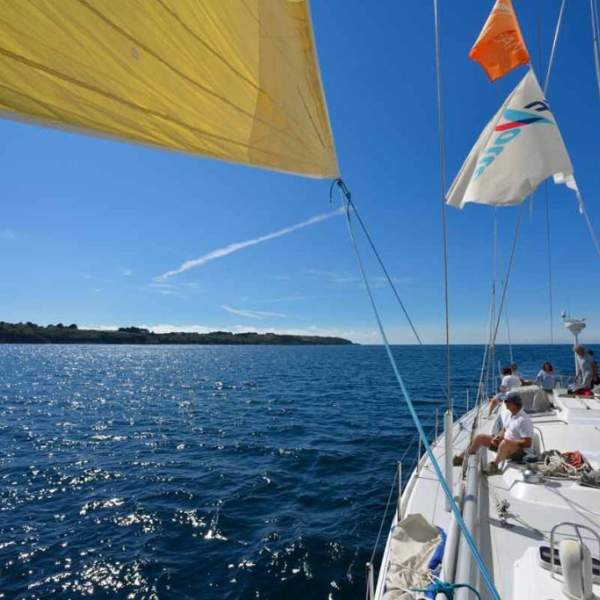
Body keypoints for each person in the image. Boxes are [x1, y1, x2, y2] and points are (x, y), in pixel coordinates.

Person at [453, 395, 533, 475]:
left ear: (513, 404)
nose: (504, 404)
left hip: (519, 453)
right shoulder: (511, 415)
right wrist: (497, 437)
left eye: (506, 402)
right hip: (505, 445)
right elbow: (504, 430)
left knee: (504, 443)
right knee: (480, 438)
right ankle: (462, 458)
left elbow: (527, 443)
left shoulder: (523, 420)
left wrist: (509, 442)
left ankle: (494, 466)